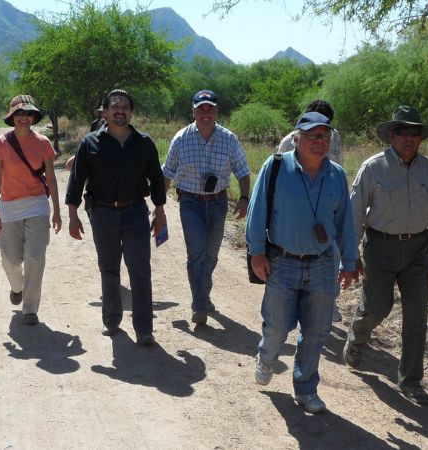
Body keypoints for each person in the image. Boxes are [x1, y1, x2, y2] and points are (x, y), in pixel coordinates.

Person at [247, 111, 357, 414]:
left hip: (322, 264)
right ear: (297, 138)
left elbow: (345, 221)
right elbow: (257, 211)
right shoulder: (276, 166)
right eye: (312, 135)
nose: (319, 141)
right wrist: (257, 251)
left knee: (316, 331)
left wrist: (349, 261)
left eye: (324, 136)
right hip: (282, 261)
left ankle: (305, 389)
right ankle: (267, 358)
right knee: (278, 326)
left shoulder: (336, 174)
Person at [343, 105, 428, 405]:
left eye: (414, 132)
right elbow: (354, 215)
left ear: (421, 137)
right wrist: (350, 255)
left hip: (418, 250)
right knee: (378, 307)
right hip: (379, 247)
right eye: (402, 131)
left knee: (417, 314)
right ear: (391, 135)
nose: (408, 138)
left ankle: (411, 381)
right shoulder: (372, 167)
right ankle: (358, 335)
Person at [65, 89, 167, 346]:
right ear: (106, 113)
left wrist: (160, 211)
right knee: (109, 269)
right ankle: (111, 321)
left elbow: (156, 179)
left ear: (131, 112)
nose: (120, 111)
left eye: (124, 107)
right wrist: (73, 215)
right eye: (114, 107)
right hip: (102, 213)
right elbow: (76, 179)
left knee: (140, 269)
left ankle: (144, 329)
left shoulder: (145, 143)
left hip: (135, 212)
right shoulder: (90, 143)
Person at [162, 89, 251, 326]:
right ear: (193, 112)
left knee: (211, 254)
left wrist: (244, 197)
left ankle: (203, 293)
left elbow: (242, 170)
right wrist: (158, 206)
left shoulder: (229, 139)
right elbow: (167, 172)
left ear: (217, 111)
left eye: (210, 108)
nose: (206, 113)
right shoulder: (181, 139)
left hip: (218, 203)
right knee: (196, 253)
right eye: (201, 109)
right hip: (190, 203)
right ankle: (199, 304)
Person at [0, 94, 62, 325]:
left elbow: (51, 178)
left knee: (36, 257)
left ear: (33, 117)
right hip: (9, 206)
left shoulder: (43, 144)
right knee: (9, 258)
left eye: (28, 114)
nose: (24, 118)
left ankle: (30, 308)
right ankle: (17, 287)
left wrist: (57, 211)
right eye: (19, 113)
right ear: (12, 117)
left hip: (37, 205)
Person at [280, 100, 345, 323]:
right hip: (297, 212)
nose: (320, 135)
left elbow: (339, 171)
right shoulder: (289, 141)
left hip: (324, 210)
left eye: (324, 127)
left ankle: (327, 303)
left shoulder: (334, 139)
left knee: (330, 257)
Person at [278, 100, 344, 166]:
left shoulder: (335, 135)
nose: (320, 140)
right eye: (312, 134)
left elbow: (340, 163)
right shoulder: (287, 143)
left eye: (325, 124)